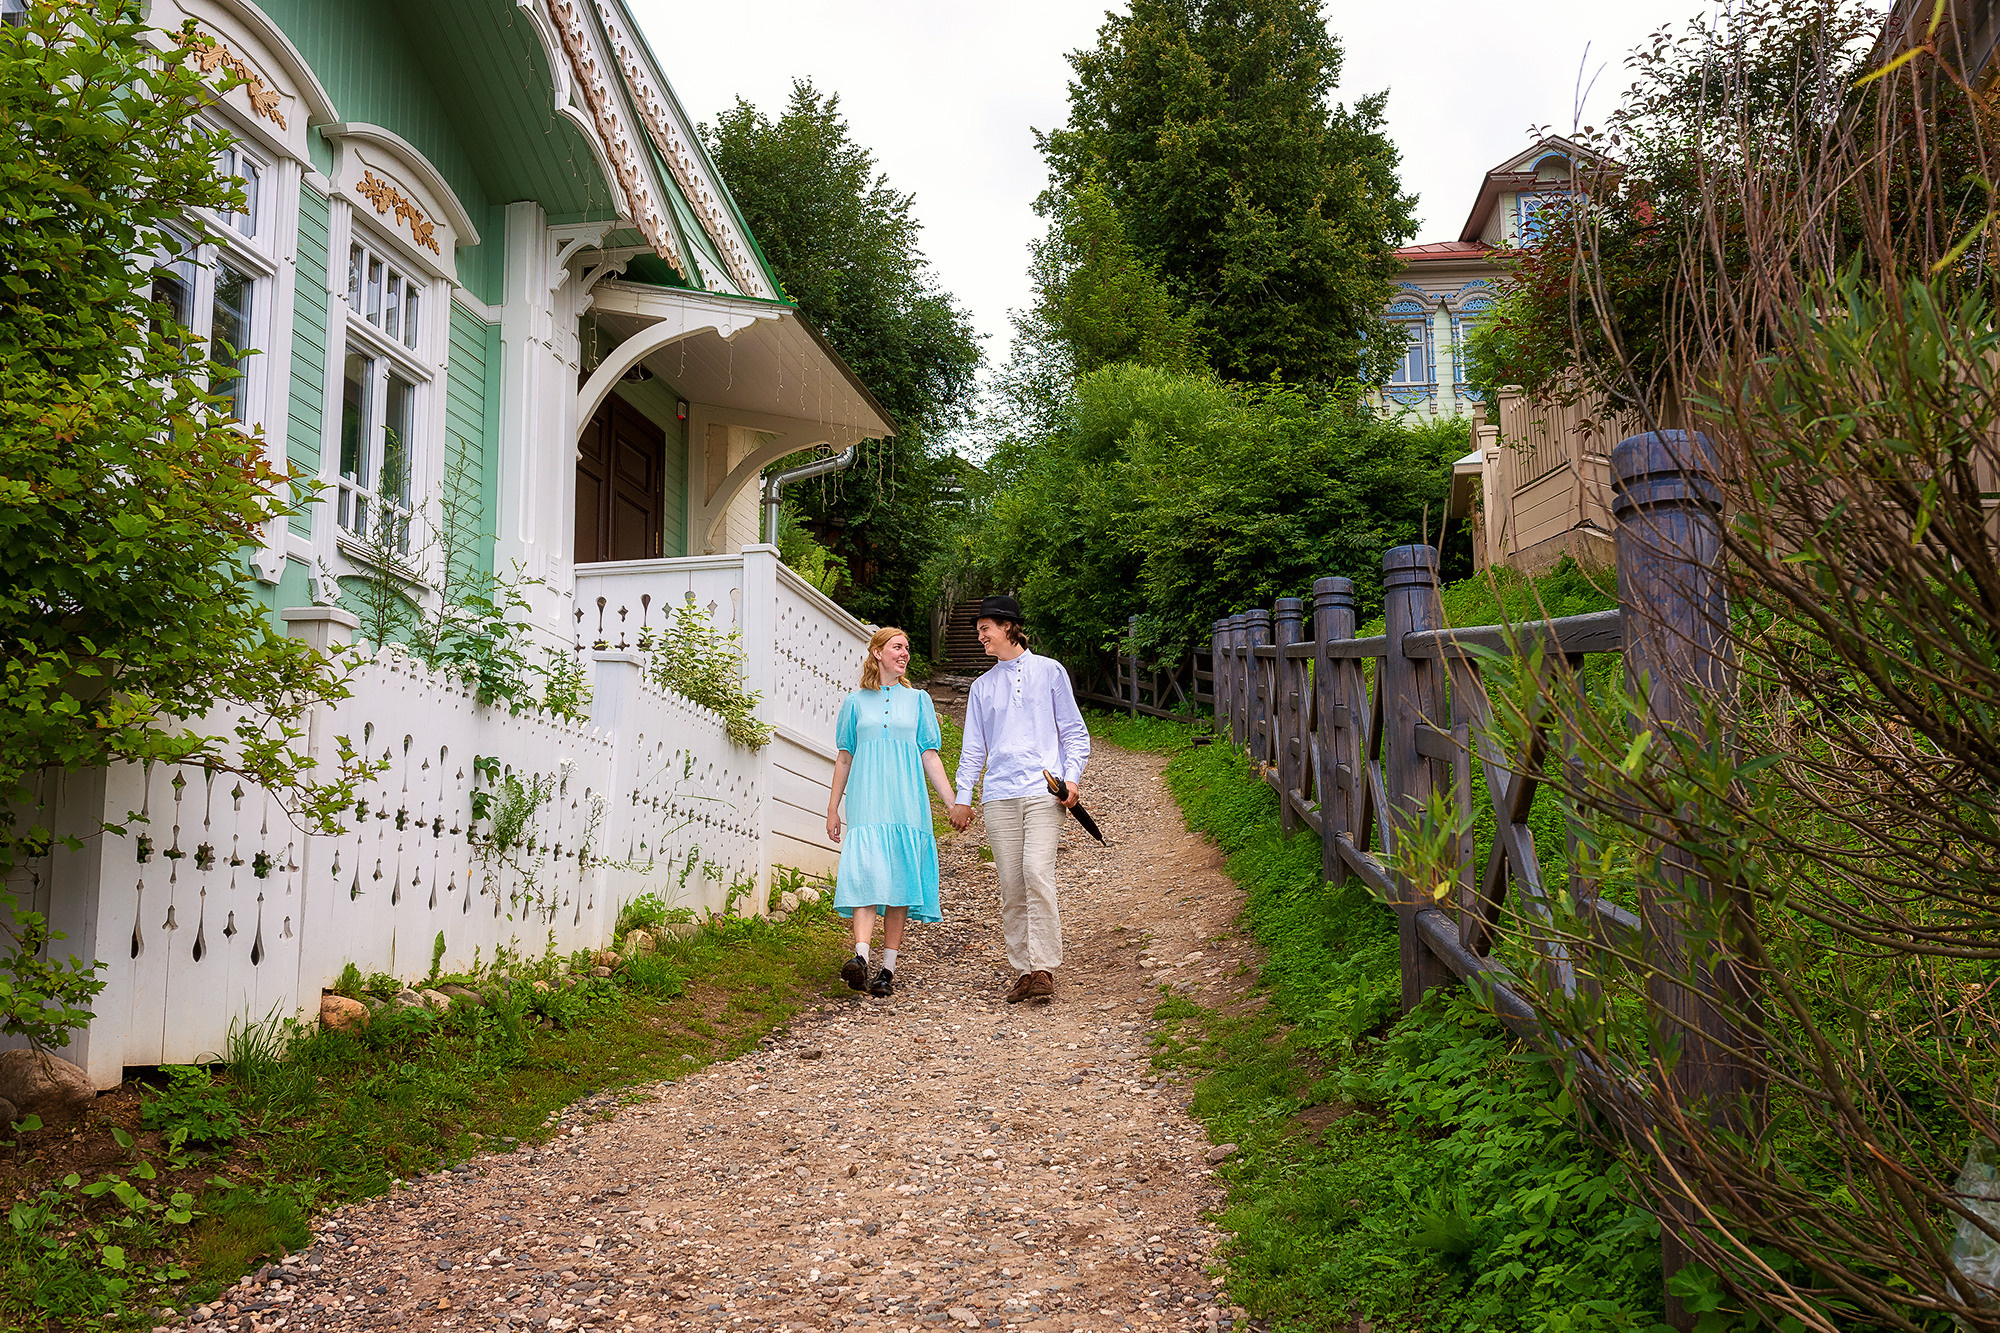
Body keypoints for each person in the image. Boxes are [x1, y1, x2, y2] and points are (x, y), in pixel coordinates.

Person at [948, 596, 1089, 1004]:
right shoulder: (981, 687)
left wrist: (1072, 778)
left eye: (984, 629)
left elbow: (1074, 733)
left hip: (1044, 790)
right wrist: (963, 796)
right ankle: (1024, 970)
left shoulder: (1049, 671)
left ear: (1008, 626)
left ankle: (1044, 966)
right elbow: (974, 748)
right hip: (998, 797)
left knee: (1035, 872)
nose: (980, 637)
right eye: (978, 631)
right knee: (1011, 884)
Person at [826, 627, 957, 998]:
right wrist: (832, 808)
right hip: (867, 802)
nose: (905, 654)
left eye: (908, 648)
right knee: (867, 875)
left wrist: (953, 803)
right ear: (878, 653)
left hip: (906, 803)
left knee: (899, 882)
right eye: (898, 647)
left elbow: (929, 755)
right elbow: (844, 756)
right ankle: (861, 958)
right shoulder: (855, 702)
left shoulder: (919, 701)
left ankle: (888, 968)